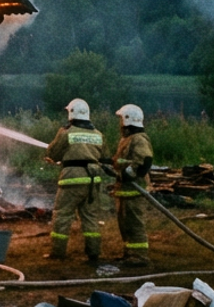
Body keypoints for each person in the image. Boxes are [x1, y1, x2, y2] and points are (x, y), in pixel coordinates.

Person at [46, 98, 109, 265]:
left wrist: (54, 156)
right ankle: (93, 254)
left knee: (62, 216)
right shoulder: (98, 134)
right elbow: (103, 157)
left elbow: (53, 153)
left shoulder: (66, 132)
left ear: (71, 113)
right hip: (93, 181)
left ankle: (58, 253)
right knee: (90, 218)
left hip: (71, 180)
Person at [110, 104, 154, 269]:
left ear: (128, 120)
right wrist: (111, 163)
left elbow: (145, 160)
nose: (120, 123)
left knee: (134, 224)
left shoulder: (139, 138)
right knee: (125, 224)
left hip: (134, 190)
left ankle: (140, 256)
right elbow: (122, 161)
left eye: (121, 119)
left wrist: (130, 173)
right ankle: (129, 254)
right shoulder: (127, 139)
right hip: (125, 190)